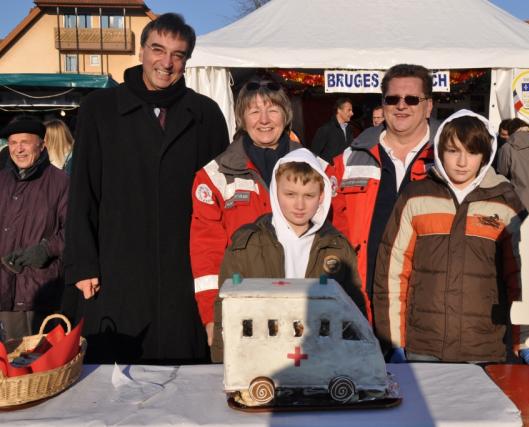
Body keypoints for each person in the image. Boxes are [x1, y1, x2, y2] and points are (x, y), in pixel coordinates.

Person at [63, 13, 229, 364]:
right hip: (117, 267)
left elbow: (220, 201)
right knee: (116, 374)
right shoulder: (100, 109)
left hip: (183, 270)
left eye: (177, 55)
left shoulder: (206, 114)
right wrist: (83, 264)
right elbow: (82, 192)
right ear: (141, 51)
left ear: (186, 60)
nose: (166, 63)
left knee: (185, 375)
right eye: (158, 50)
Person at [373, 109, 529, 365]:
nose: (462, 162)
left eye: (472, 152)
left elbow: (522, 275)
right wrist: (393, 341)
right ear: (440, 151)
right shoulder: (416, 197)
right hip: (424, 345)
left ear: (485, 155)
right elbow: (392, 272)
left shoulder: (505, 202)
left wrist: (527, 340)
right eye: (453, 151)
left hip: (483, 347)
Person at [211, 148, 366, 361]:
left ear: (322, 196)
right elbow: (226, 307)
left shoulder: (337, 248)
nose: (299, 205)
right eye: (290, 194)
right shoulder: (247, 245)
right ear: (276, 192)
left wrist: (357, 361)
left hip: (321, 358)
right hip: (260, 357)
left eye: (309, 196)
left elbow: (354, 313)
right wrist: (222, 361)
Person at [190, 78, 310, 347]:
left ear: (286, 115)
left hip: (303, 309)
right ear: (242, 119)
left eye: (273, 110)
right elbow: (206, 253)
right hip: (242, 309)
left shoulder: (316, 169)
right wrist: (212, 315)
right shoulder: (214, 176)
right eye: (254, 111)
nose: (264, 120)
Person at [329, 64, 438, 320]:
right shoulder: (349, 159)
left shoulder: (449, 156)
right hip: (363, 301)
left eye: (412, 99)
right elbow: (329, 225)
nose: (401, 106)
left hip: (429, 304)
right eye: (392, 99)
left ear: (428, 106)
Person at [0, 116, 68, 339]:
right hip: (4, 288)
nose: (18, 149)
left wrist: (46, 250)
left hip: (40, 290)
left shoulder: (61, 182)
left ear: (41, 145)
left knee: (40, 356)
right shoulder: (1, 181)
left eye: (25, 142)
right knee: (9, 357)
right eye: (13, 143)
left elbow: (74, 231)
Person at [310, 97, 354, 163]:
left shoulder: (349, 129)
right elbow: (314, 154)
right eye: (349, 110)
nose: (352, 113)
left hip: (345, 168)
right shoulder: (325, 129)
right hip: (329, 169)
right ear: (339, 110)